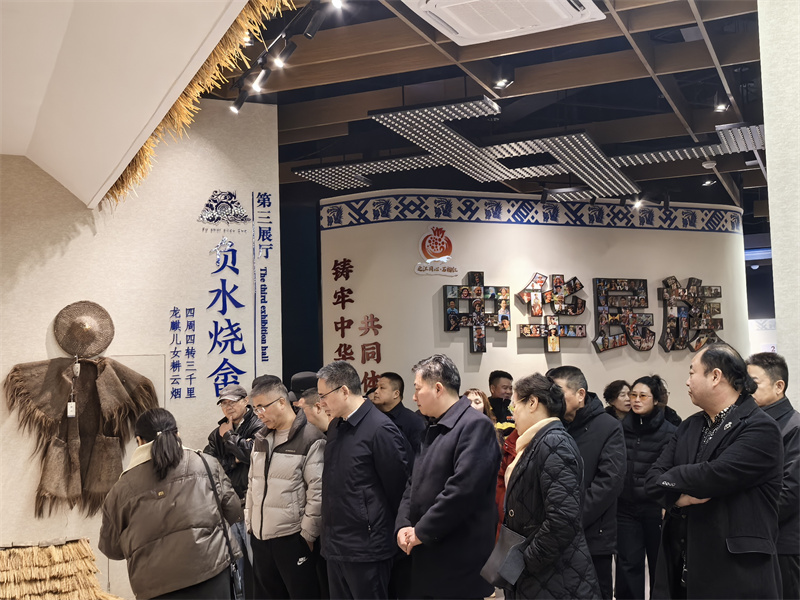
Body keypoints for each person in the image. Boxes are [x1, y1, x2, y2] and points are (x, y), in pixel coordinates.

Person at [645, 344, 784, 599]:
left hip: (737, 573)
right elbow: (652, 480)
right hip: (684, 566)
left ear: (716, 376)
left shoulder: (760, 427)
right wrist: (679, 497)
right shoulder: (689, 426)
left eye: (692, 373)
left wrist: (672, 481)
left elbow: (714, 475)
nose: (687, 382)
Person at [99, 408, 243, 599]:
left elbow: (112, 549)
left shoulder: (120, 490)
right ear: (177, 434)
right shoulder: (206, 464)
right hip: (212, 573)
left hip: (154, 587)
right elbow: (233, 511)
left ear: (139, 441)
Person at [395, 354, 501, 600]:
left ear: (438, 388)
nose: (414, 397)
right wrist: (403, 525)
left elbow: (463, 491)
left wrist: (422, 531)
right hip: (426, 550)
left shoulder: (475, 425)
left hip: (458, 556)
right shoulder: (433, 426)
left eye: (417, 389)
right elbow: (413, 484)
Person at [317, 361, 409, 599]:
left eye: (323, 395)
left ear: (344, 391)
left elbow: (399, 489)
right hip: (335, 545)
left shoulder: (380, 429)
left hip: (367, 548)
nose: (321, 402)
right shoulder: (336, 425)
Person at [504, 373, 601, 599]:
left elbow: (562, 520)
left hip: (554, 574)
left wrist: (525, 562)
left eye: (514, 405)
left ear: (532, 402)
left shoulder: (554, 442)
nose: (512, 413)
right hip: (544, 573)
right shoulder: (539, 442)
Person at [548, 365, 626, 600]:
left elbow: (609, 482)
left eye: (558, 391)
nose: (551, 398)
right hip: (553, 533)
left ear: (580, 394)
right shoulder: (553, 425)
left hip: (592, 534)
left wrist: (572, 519)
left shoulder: (608, 426)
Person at [247, 377, 325, 599]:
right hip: (260, 538)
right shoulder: (260, 438)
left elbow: (317, 493)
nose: (259, 414)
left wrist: (307, 535)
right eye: (255, 409)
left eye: (262, 407)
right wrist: (250, 523)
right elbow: (252, 484)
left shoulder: (310, 437)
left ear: (282, 402)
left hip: (292, 539)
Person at [615, 375, 677, 600]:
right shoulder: (620, 428)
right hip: (625, 507)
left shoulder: (670, 431)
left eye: (643, 396)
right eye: (633, 395)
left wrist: (667, 502)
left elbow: (672, 470)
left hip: (655, 507)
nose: (636, 400)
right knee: (627, 563)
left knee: (659, 564)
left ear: (656, 400)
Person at [747, 352, 800, 600]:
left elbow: (789, 492)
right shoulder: (754, 425)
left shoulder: (794, 427)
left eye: (754, 384)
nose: (746, 390)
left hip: (784, 542)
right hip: (759, 539)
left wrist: (745, 521)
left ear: (779, 386)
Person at [204, 383, 263, 590]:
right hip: (229, 505)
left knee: (258, 563)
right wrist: (233, 461)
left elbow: (253, 454)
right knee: (235, 565)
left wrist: (229, 437)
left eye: (233, 402)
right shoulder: (216, 434)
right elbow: (209, 466)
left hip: (252, 503)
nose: (228, 407)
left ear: (246, 401)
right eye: (224, 404)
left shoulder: (258, 425)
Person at [372, 371, 426, 464]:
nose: (376, 391)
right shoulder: (373, 418)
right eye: (376, 387)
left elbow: (419, 459)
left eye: (382, 388)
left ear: (396, 394)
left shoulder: (413, 421)